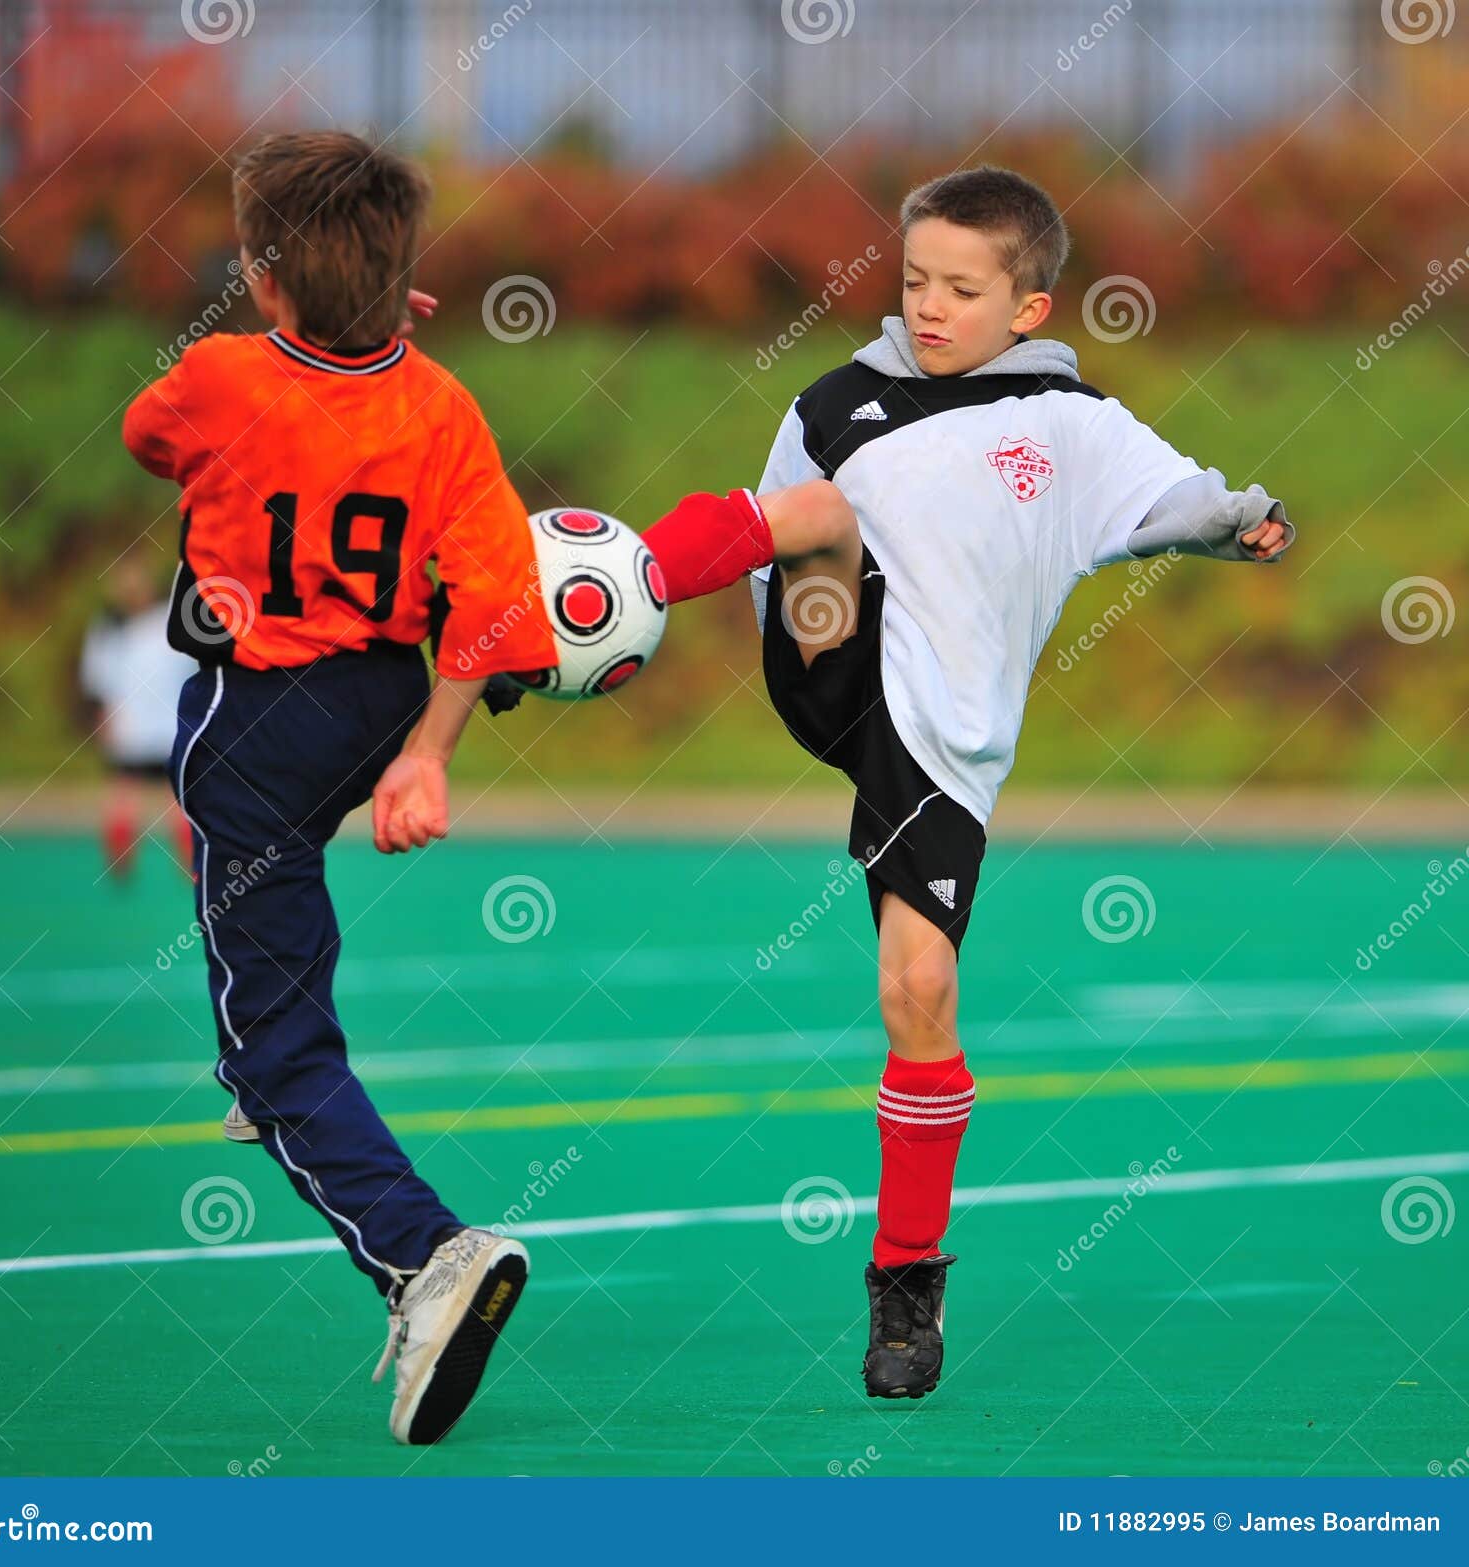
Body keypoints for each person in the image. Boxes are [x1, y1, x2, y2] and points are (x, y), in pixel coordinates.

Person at [638, 165, 1294, 1401]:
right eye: (912, 282)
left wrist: (1239, 517)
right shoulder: (835, 400)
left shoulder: (1073, 427)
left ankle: (905, 1288)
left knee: (918, 990)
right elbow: (769, 526)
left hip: (944, 735)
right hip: (832, 657)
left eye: (960, 289)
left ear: (1029, 309)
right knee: (820, 506)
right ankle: (604, 589)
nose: (928, 307)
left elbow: (1173, 498)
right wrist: (696, 577)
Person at [122, 130, 556, 1445]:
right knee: (276, 988)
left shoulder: (217, 376)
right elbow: (495, 611)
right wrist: (426, 750)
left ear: (262, 278)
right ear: (403, 280)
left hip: (255, 726)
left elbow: (151, 437)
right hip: (377, 695)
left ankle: (422, 1253)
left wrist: (307, 335)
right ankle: (289, 1091)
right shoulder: (442, 406)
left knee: (270, 1052)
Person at [78, 554, 194, 880]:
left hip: (165, 731)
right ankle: (123, 867)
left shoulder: (165, 621)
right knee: (127, 798)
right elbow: (99, 685)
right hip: (135, 732)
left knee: (174, 801)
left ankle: (189, 865)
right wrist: (105, 722)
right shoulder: (109, 630)